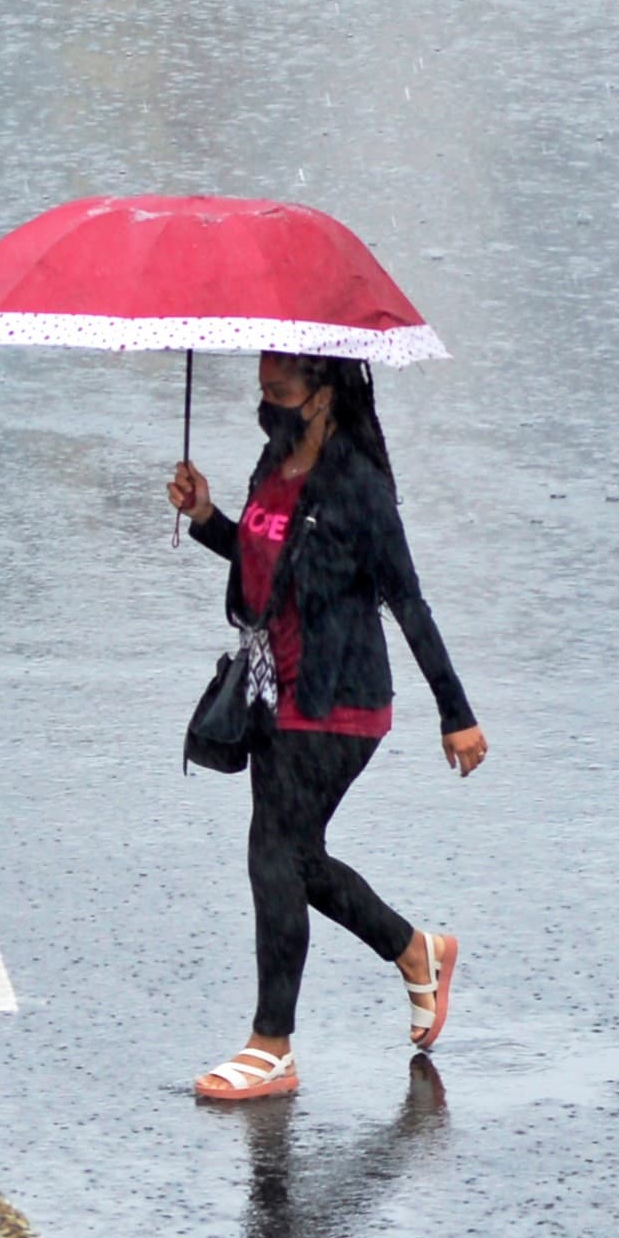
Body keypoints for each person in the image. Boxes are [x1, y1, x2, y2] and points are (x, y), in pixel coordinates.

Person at [167, 352, 487, 1102]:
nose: (267, 402)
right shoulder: (273, 460)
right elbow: (266, 556)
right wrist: (208, 517)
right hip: (271, 690)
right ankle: (415, 951)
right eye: (263, 391)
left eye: (279, 390)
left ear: (323, 391)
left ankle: (270, 1045)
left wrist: (456, 713)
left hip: (338, 699)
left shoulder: (359, 487)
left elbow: (407, 599)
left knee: (273, 853)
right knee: (292, 858)